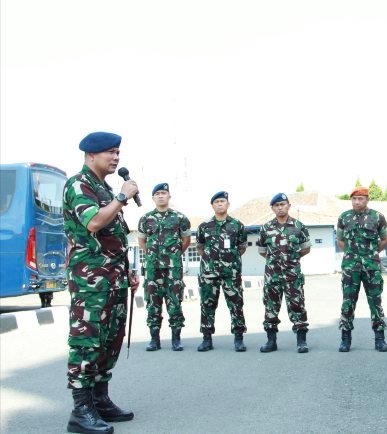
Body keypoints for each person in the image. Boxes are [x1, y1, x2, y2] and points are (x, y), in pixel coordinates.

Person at [63, 131, 139, 434]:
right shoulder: (79, 186)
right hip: (90, 282)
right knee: (87, 342)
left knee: (109, 341)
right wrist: (122, 197)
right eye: (110, 152)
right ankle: (81, 411)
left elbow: (115, 237)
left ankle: (100, 399)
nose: (116, 158)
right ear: (90, 155)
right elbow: (94, 222)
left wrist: (127, 271)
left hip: (114, 279)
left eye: (118, 152)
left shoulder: (103, 188)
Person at [137, 183, 191, 352]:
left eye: (164, 193)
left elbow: (186, 240)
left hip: (173, 269)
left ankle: (176, 339)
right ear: (153, 198)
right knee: (153, 303)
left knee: (175, 302)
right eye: (157, 193)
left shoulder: (180, 218)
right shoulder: (145, 219)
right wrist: (154, 256)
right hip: (153, 269)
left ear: (169, 196)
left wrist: (174, 255)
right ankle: (154, 339)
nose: (161, 196)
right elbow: (142, 242)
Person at [256, 193, 311, 353]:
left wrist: (290, 260)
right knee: (270, 307)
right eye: (276, 205)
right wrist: (276, 261)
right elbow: (262, 251)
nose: (280, 207)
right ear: (272, 208)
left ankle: (301, 341)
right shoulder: (266, 228)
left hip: (292, 275)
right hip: (272, 276)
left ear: (289, 206)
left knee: (297, 306)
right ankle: (271, 342)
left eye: (283, 204)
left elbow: (305, 248)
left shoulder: (299, 226)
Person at [336, 187, 387, 352]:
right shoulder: (344, 218)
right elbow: (340, 241)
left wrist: (371, 254)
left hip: (371, 267)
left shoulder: (377, 217)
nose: (357, 202)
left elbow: (385, 239)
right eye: (354, 199)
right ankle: (345, 339)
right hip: (350, 268)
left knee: (375, 302)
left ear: (367, 199)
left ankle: (380, 339)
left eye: (360, 198)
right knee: (348, 303)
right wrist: (353, 255)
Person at [196, 191, 248, 352]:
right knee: (207, 304)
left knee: (236, 304)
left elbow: (242, 247)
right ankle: (206, 338)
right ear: (212, 205)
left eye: (222, 201)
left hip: (231, 273)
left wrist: (229, 260)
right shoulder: (204, 226)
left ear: (228, 204)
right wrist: (211, 261)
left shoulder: (237, 225)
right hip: (208, 273)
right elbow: (200, 247)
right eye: (217, 201)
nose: (220, 204)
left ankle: (238, 338)